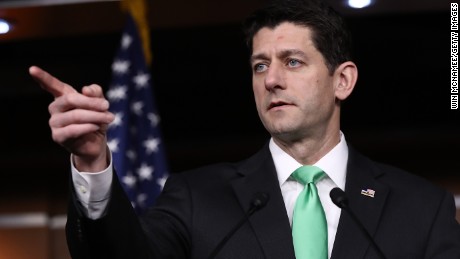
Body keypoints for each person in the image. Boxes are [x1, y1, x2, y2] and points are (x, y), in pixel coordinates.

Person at [30, 0, 460, 258]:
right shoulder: (195, 199)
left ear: (342, 80)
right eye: (260, 65)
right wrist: (92, 162)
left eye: (292, 61)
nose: (271, 79)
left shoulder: (423, 209)